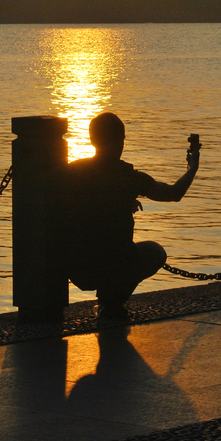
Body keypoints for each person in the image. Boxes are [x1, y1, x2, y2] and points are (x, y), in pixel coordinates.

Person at [64, 111, 200, 322]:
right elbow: (174, 194)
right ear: (120, 140)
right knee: (155, 251)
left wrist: (121, 202)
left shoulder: (72, 172)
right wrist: (192, 169)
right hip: (113, 264)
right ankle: (113, 303)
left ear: (92, 140)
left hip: (78, 267)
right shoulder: (129, 178)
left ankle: (109, 302)